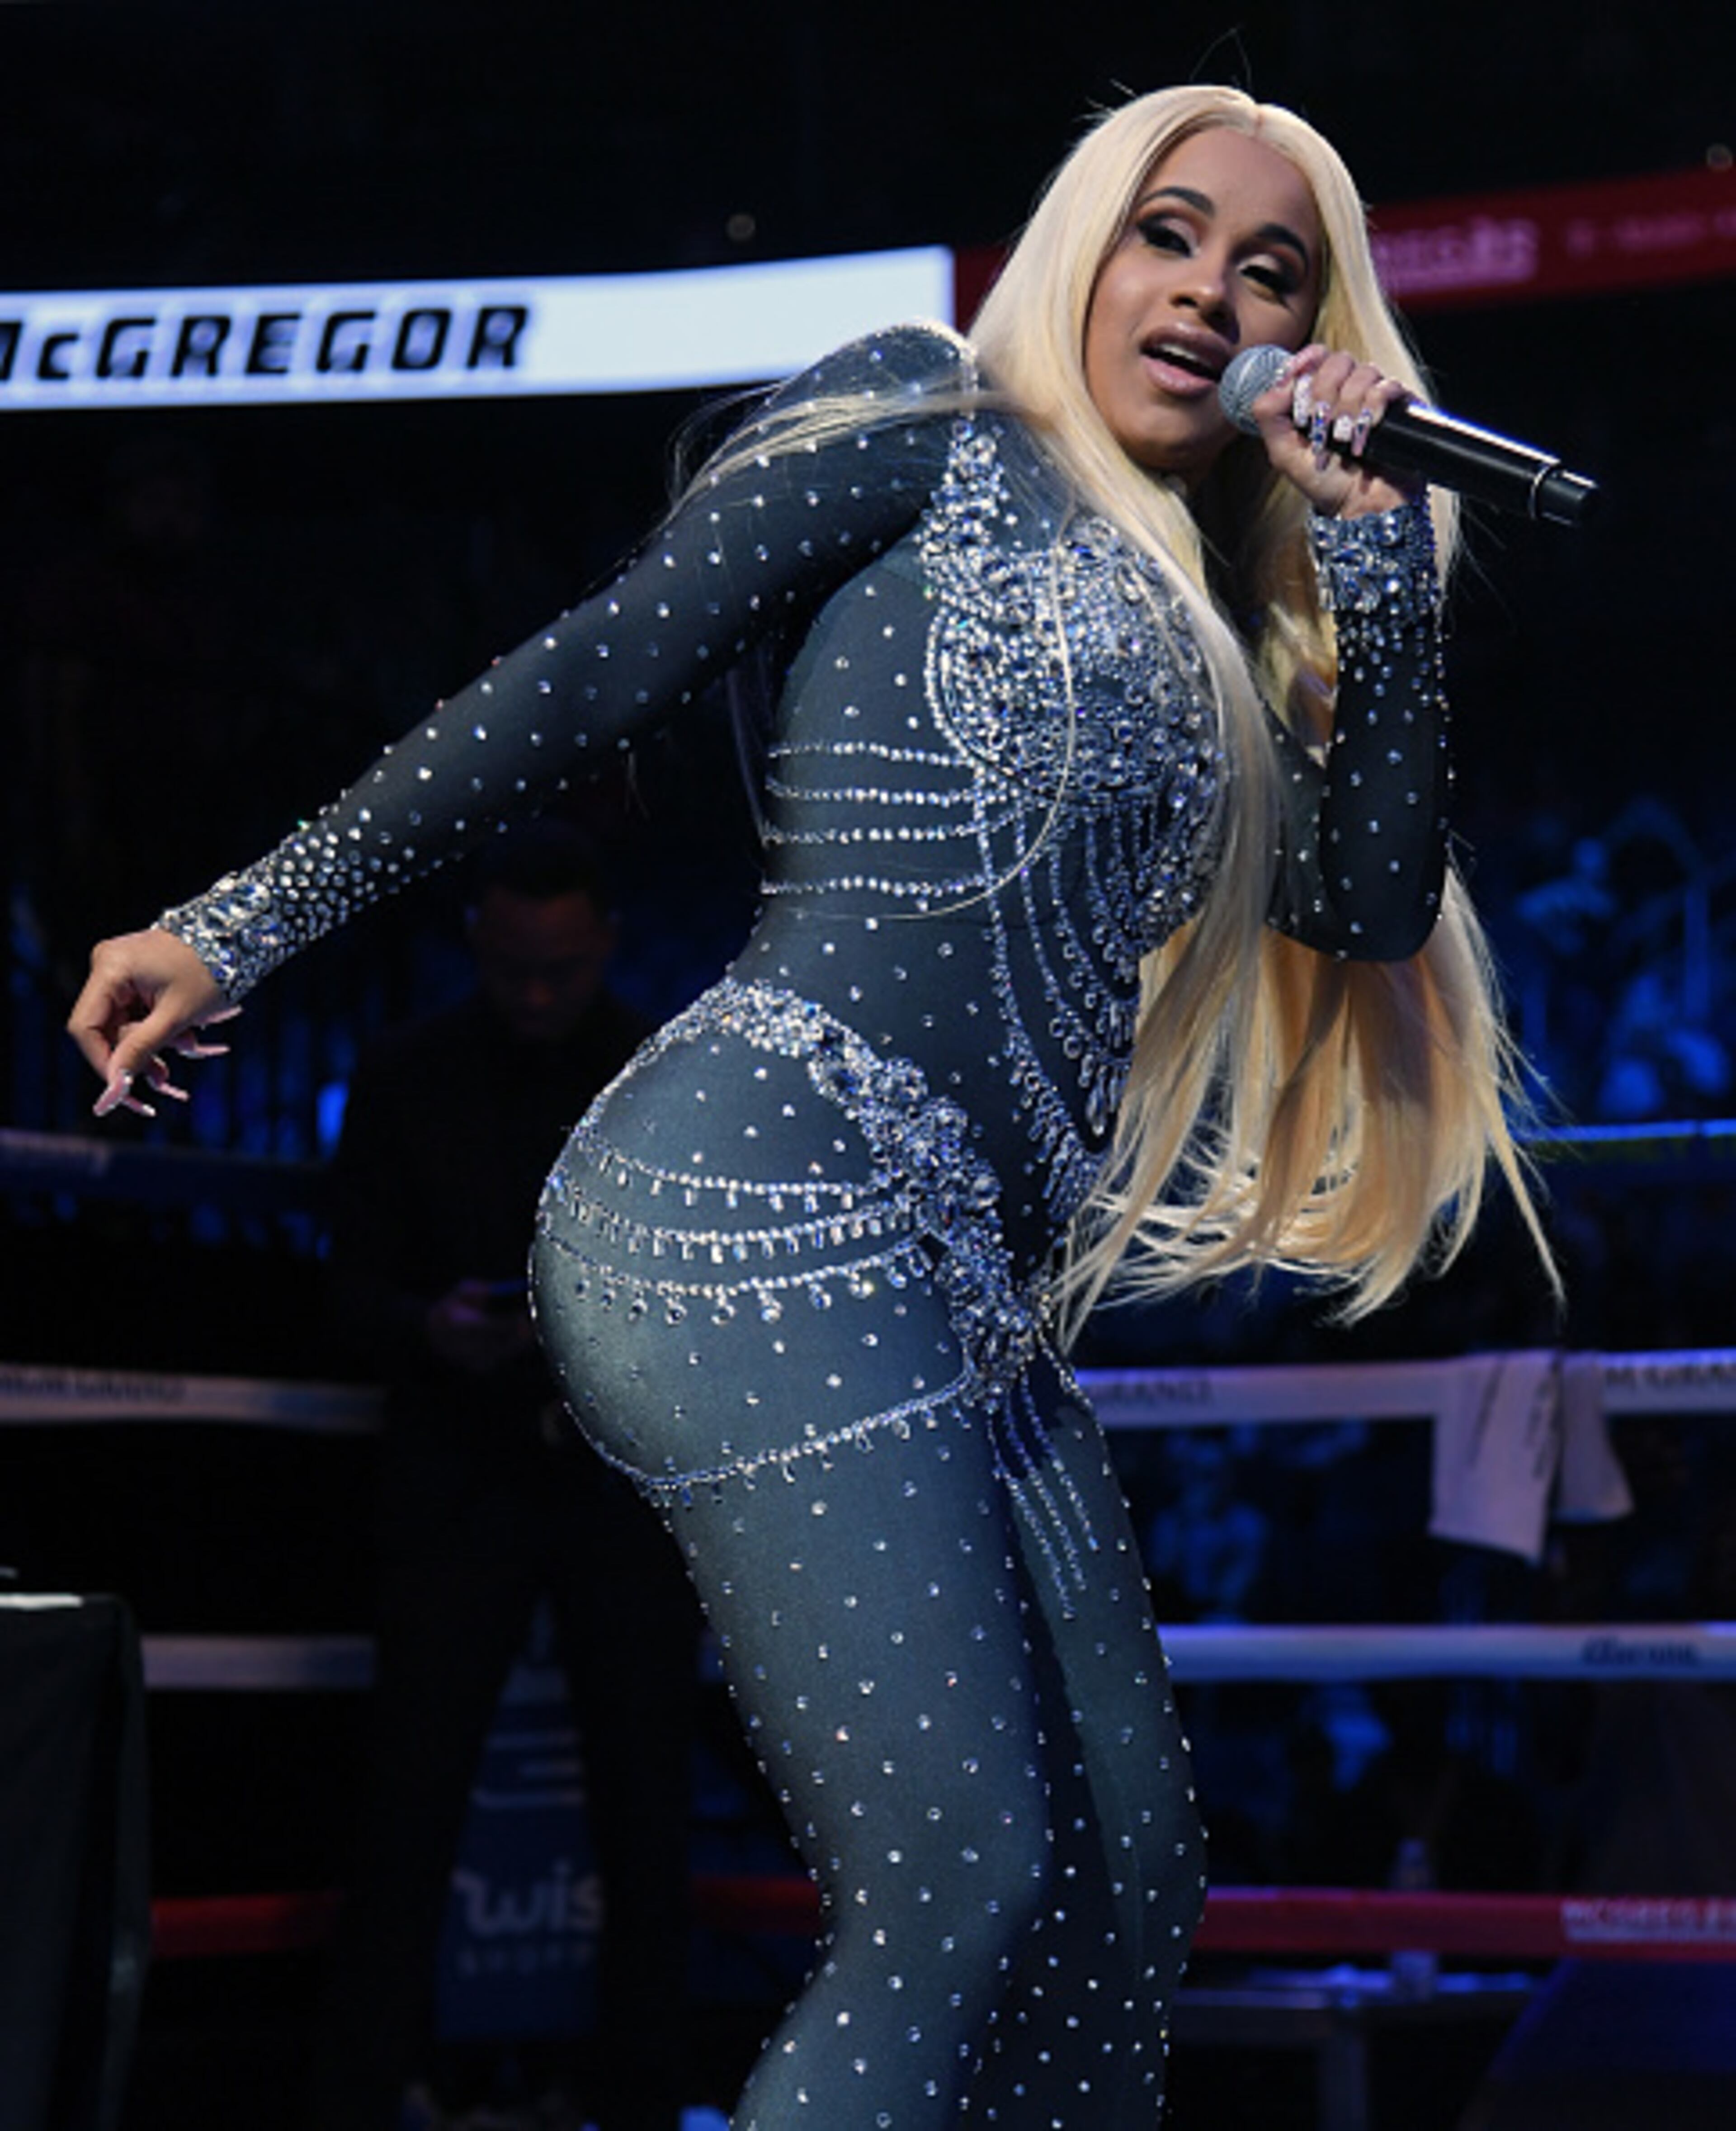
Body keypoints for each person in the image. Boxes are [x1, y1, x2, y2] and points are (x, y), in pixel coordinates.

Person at [70, 85, 1548, 2129]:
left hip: (969, 1290)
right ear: (1081, 250)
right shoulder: (923, 423)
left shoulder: (1214, 617)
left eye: (1270, 271)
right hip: (757, 1191)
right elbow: (594, 674)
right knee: (965, 1877)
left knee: (1122, 1888)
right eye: (1170, 234)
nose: (1211, 293)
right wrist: (238, 924)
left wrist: (1377, 561)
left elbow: (1365, 899)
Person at [310, 820, 696, 2131]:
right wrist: (436, 1328)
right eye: (519, 968)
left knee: (646, 1799)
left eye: (563, 970)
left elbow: (705, 1293)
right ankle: (368, 2088)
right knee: (406, 1796)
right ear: (480, 943)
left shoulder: (657, 1077)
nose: (539, 994)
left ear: (602, 948)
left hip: (610, 1482)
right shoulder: (409, 1076)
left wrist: (584, 1330)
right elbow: (346, 1285)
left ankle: (641, 2095)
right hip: (459, 1473)